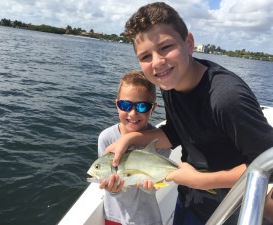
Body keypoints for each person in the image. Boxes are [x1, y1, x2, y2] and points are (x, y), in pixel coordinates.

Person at [104, 2, 273, 225]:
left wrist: (201, 181)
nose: (157, 63)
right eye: (145, 56)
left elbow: (267, 164)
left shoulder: (226, 98)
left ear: (189, 43)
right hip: (190, 199)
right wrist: (132, 138)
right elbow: (176, 131)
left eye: (165, 47)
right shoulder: (169, 85)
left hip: (233, 205)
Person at [98, 70, 170, 225]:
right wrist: (112, 188)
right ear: (117, 104)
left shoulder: (160, 141)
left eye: (142, 106)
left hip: (147, 219)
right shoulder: (106, 138)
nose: (132, 113)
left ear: (153, 108)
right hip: (114, 217)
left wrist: (150, 187)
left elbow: (156, 185)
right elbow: (106, 180)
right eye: (125, 105)